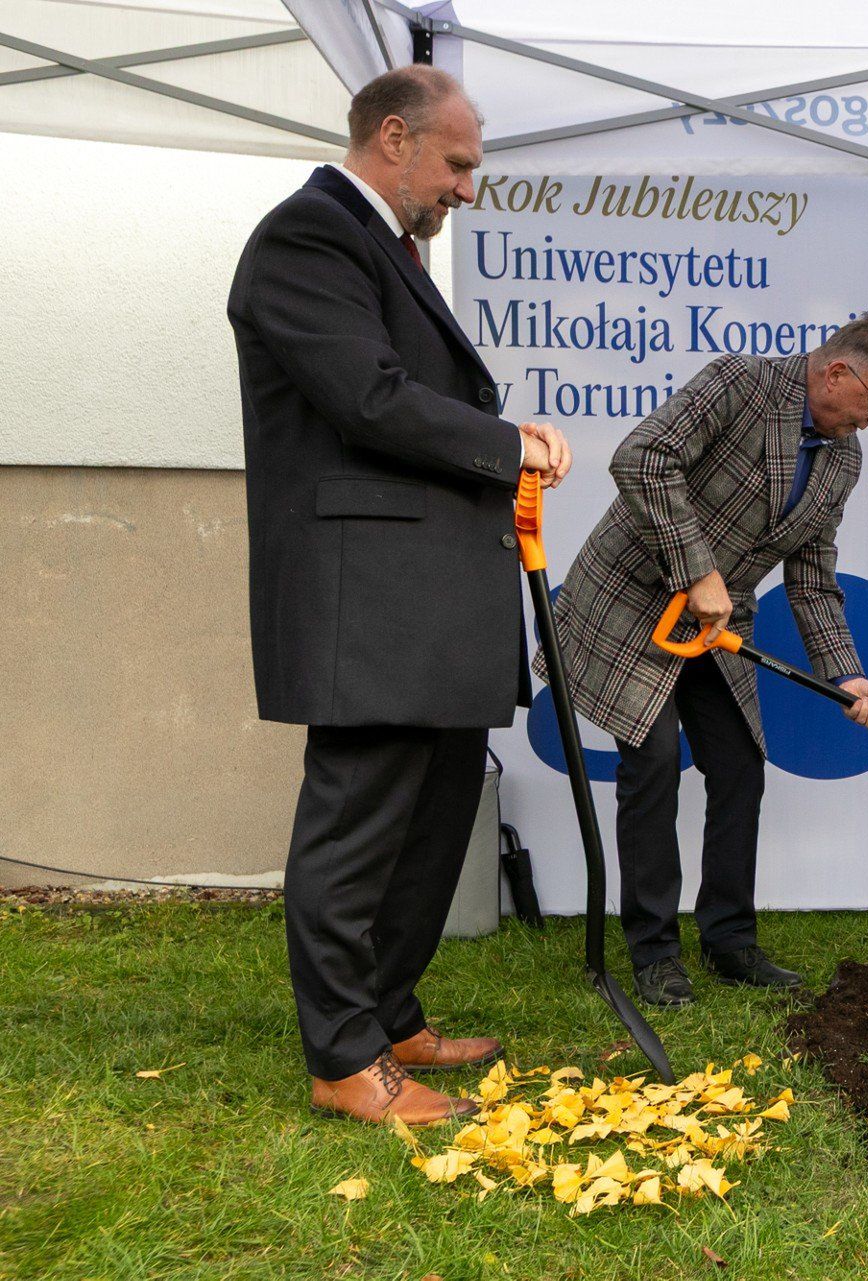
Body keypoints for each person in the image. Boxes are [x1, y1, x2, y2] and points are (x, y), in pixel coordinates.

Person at [230, 65, 572, 1124]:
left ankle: (387, 1016)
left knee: (430, 823)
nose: (468, 187)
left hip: (422, 603)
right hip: (369, 602)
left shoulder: (378, 244)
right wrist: (505, 443)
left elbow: (404, 395)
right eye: (457, 163)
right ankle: (345, 1060)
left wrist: (498, 443)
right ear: (393, 137)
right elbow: (368, 398)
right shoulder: (308, 236)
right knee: (359, 829)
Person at [541, 316, 868, 1006]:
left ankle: (730, 940)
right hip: (634, 598)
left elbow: (811, 575)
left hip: (716, 622)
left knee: (740, 766)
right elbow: (641, 457)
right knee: (652, 764)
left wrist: (844, 673)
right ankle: (655, 953)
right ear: (837, 373)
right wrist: (696, 569)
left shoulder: (842, 458)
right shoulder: (742, 382)